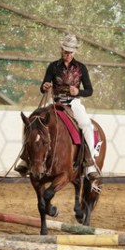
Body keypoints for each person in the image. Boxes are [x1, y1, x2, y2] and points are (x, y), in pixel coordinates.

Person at [15, 33, 100, 180]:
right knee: (31, 122)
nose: (68, 54)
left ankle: (89, 163)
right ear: (62, 50)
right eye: (66, 51)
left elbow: (89, 90)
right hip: (55, 102)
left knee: (86, 125)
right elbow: (43, 87)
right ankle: (25, 158)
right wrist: (45, 86)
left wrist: (78, 91)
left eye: (70, 52)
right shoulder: (53, 66)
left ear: (75, 52)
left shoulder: (81, 68)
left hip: (73, 104)